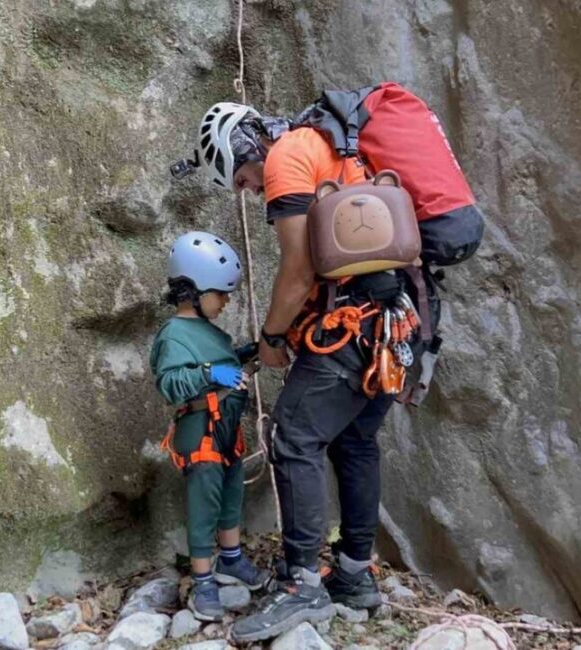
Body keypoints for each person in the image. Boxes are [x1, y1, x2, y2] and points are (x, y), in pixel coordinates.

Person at [187, 86, 483, 643]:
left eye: (241, 180)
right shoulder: (332, 147)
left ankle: (301, 585)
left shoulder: (287, 156)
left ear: (239, 148)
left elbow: (298, 272)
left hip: (359, 326)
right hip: (406, 322)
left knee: (295, 436)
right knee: (354, 440)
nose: (249, 191)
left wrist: (273, 336)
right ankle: (353, 574)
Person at [149, 231, 271, 622]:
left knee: (232, 493)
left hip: (227, 430)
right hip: (200, 430)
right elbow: (170, 383)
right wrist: (209, 371)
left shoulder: (213, 333)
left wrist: (241, 356)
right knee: (204, 502)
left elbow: (221, 363)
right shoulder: (173, 335)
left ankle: (231, 559)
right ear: (194, 292)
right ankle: (203, 580)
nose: (227, 300)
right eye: (221, 293)